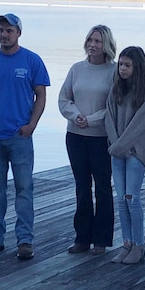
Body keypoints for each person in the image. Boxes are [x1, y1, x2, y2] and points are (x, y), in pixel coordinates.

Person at [0, 13, 50, 260]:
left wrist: (32, 125)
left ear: (19, 33)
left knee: (24, 187)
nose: (4, 35)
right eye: (1, 30)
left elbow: (41, 95)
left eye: (9, 30)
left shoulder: (31, 61)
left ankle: (25, 240)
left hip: (20, 136)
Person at [59, 25, 116, 255]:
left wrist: (90, 120)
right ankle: (82, 237)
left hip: (100, 138)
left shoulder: (113, 72)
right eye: (90, 40)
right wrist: (76, 116)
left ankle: (101, 239)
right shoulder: (76, 69)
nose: (93, 45)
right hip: (75, 137)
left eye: (98, 41)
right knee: (82, 187)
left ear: (107, 46)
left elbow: (113, 106)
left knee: (102, 188)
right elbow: (64, 99)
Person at [105, 46, 145, 265]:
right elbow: (109, 117)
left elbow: (139, 125)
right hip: (117, 151)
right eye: (121, 65)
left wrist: (120, 146)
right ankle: (126, 242)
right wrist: (115, 145)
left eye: (127, 65)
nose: (123, 69)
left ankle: (139, 245)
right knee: (121, 199)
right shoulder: (115, 90)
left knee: (132, 198)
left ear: (137, 67)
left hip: (135, 152)